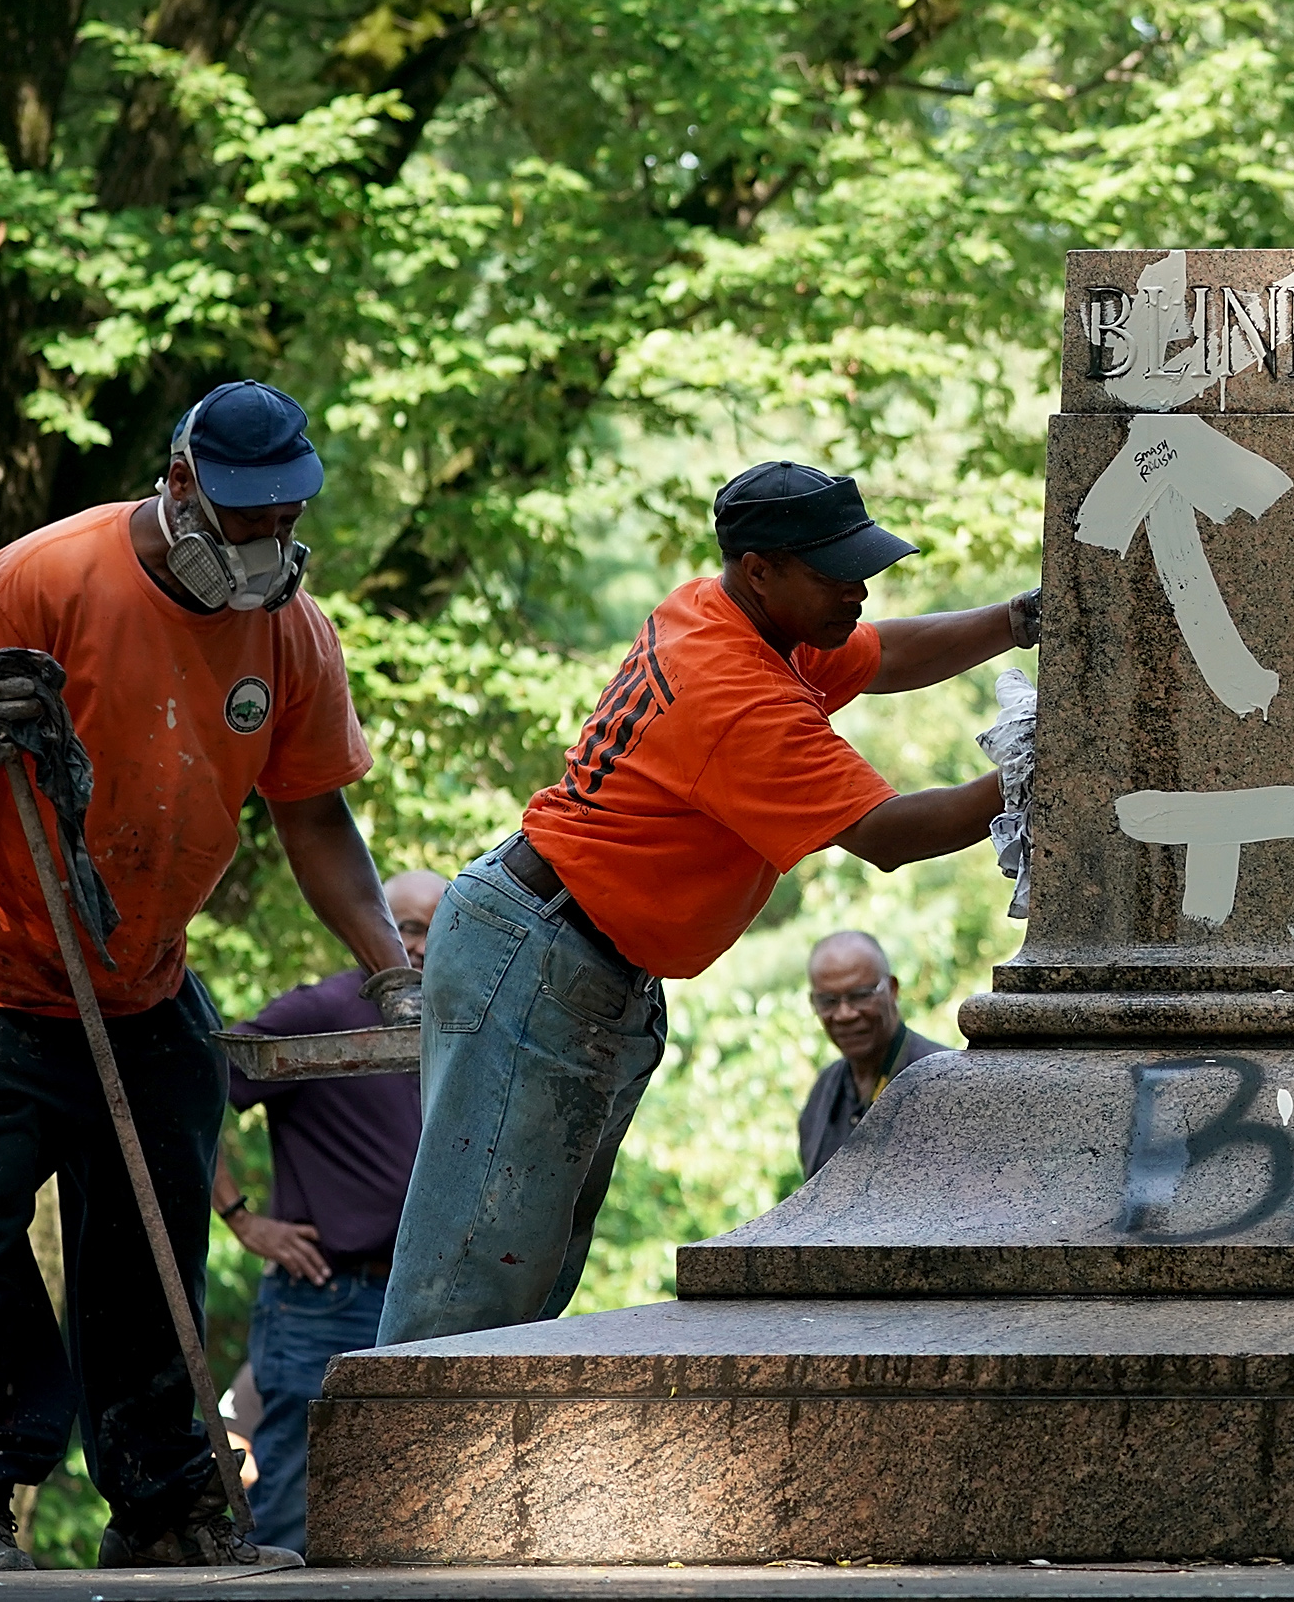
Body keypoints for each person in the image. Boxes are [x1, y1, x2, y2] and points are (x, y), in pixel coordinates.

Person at [0, 380, 413, 1574]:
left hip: (136, 968)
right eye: (245, 521)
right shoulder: (48, 576)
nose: (269, 545)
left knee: (157, 1230)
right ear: (180, 488)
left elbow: (316, 817)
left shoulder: (289, 629)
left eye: (287, 518)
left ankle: (163, 1506)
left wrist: (392, 970)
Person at [380, 462, 1038, 1346]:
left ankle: (467, 1469)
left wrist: (1013, 621)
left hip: (560, 947)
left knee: (523, 1277)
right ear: (761, 567)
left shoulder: (725, 610)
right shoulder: (734, 692)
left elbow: (883, 652)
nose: (858, 585)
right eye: (835, 568)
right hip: (537, 956)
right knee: (468, 1285)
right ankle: (407, 1478)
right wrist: (1041, 768)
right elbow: (890, 834)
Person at [210, 867, 443, 1555]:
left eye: (439, 928)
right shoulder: (320, 1009)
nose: (424, 947)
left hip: (421, 1306)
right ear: (366, 930)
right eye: (409, 928)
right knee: (294, 1505)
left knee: (406, 1512)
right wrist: (242, 1217)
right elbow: (190, 1097)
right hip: (322, 1303)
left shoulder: (459, 1023)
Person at [796, 930, 945, 1178]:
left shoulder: (944, 1080)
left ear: (893, 989)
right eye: (828, 1001)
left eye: (860, 996)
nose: (845, 1014)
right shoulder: (824, 1091)